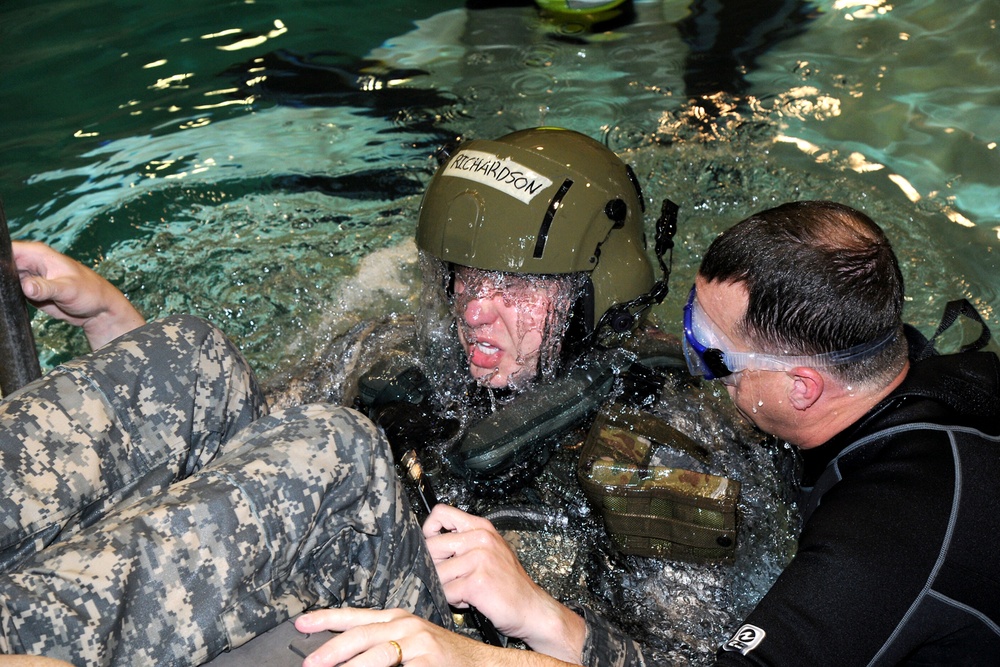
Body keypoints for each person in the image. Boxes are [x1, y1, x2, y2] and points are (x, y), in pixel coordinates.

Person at [4, 127, 728, 666]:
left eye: (514, 286)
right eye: (467, 276)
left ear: (593, 289)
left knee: (338, 446)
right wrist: (109, 317)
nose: (475, 307)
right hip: (318, 566)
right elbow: (244, 445)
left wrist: (541, 614)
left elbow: (690, 659)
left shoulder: (658, 457)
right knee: (195, 351)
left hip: (438, 644)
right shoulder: (404, 350)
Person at [681, 200, 1000, 664]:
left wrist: (543, 620)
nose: (702, 369)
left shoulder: (881, 537)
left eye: (714, 356)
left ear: (802, 388)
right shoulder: (902, 373)